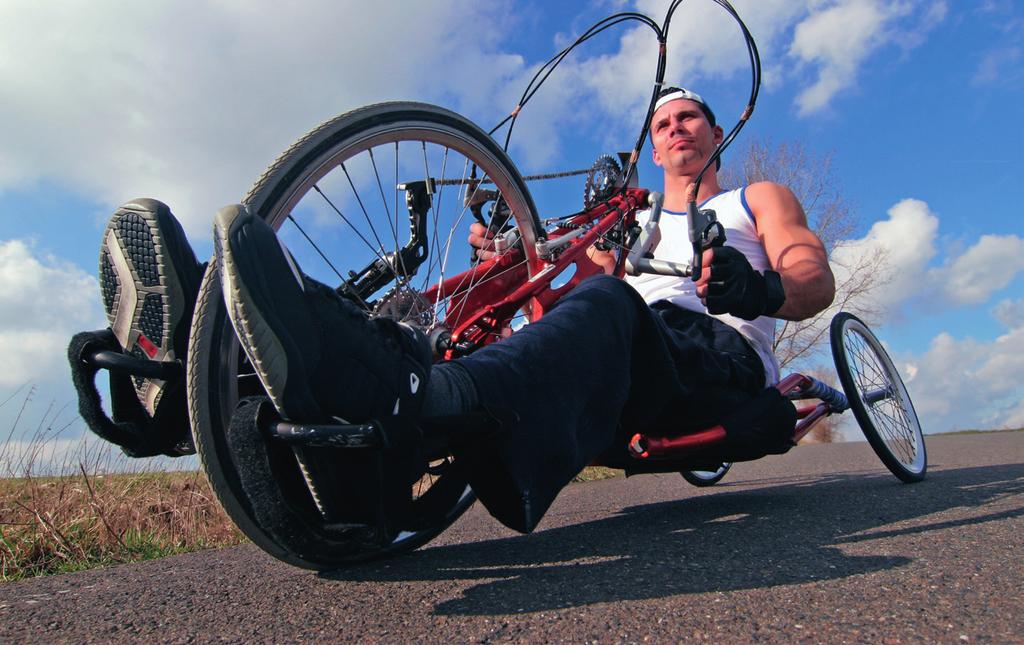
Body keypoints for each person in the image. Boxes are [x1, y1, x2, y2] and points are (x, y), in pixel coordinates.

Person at [73, 86, 835, 533]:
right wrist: (496, 260)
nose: (675, 128)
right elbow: (566, 316)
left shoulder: (752, 199)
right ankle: (207, 360)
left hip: (718, 356)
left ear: (715, 133)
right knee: (546, 304)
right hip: (632, 360)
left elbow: (812, 276)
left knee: (607, 302)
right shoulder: (626, 230)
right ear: (651, 146)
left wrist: (762, 289)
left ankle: (401, 392)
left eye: (689, 117)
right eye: (662, 122)